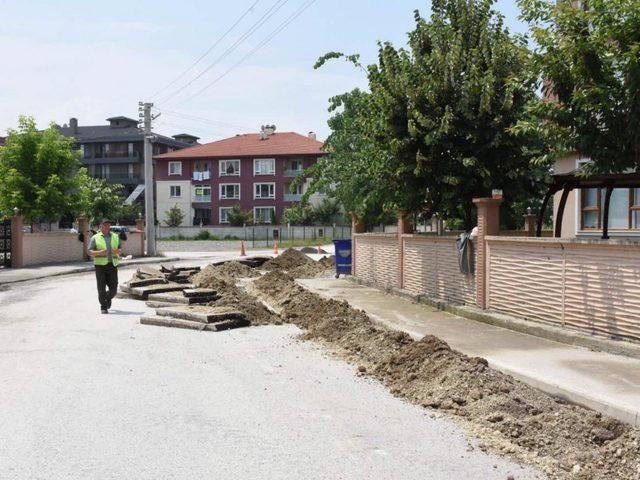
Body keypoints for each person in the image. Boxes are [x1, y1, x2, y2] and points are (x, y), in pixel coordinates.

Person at [88, 219, 122, 314]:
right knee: (101, 287)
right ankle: (103, 306)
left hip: (112, 265)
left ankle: (107, 297)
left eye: (108, 225)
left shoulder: (115, 236)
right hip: (100, 266)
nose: (107, 226)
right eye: (105, 225)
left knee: (114, 289)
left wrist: (118, 251)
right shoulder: (95, 237)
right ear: (100, 226)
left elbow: (120, 249)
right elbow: (89, 251)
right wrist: (99, 252)